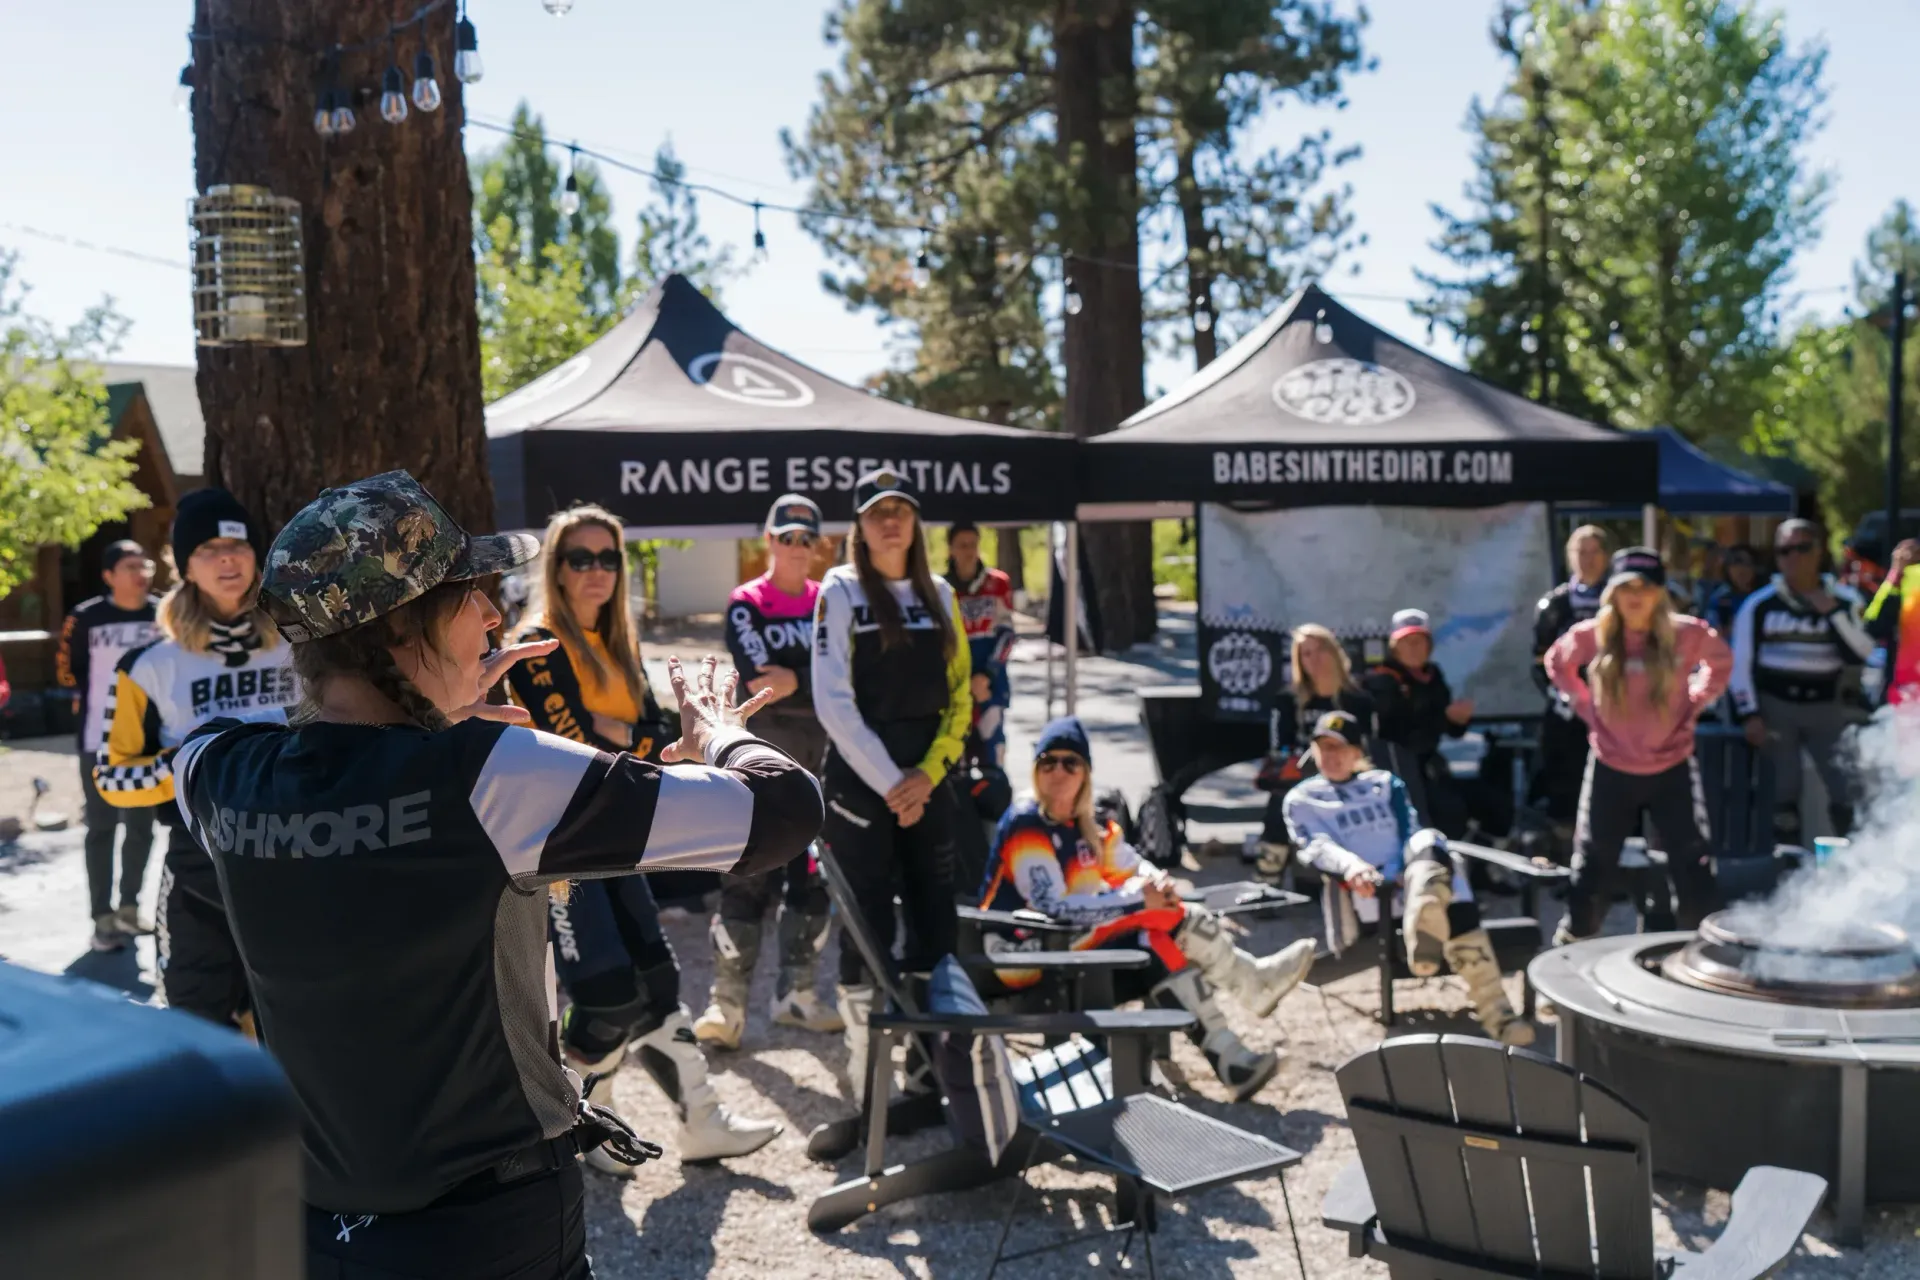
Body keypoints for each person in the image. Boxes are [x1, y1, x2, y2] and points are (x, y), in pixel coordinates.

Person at [169, 471, 821, 1278]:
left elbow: (228, 743)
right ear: (399, 626)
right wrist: (721, 733)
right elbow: (785, 811)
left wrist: (408, 706)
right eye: (467, 591)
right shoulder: (491, 773)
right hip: (492, 1226)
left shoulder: (222, 774)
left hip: (318, 1225)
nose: (492, 613)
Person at [503, 503, 780, 1168]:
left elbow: (657, 738)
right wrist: (644, 741)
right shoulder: (537, 641)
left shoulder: (619, 642)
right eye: (580, 559)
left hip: (623, 839)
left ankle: (700, 1121)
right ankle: (577, 1127)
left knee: (656, 982)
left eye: (608, 558)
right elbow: (574, 743)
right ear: (557, 569)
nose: (596, 571)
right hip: (562, 849)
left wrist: (629, 735)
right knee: (603, 1003)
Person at [979, 717, 1313, 1100]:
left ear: (1085, 771)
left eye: (1070, 762)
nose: (1058, 770)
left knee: (1160, 936)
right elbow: (1055, 908)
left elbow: (1133, 866)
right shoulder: (1027, 823)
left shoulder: (1087, 824)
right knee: (1161, 924)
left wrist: (1158, 885)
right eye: (1047, 762)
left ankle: (1232, 1057)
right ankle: (1246, 1001)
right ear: (1036, 769)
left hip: (1065, 944)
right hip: (1020, 955)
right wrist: (1142, 899)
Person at [94, 491, 296, 1028]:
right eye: (209, 548)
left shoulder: (303, 642)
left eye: (237, 544)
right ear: (184, 564)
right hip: (199, 859)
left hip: (302, 846)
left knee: (296, 1022)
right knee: (196, 1016)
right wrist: (196, 765)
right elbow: (112, 778)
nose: (228, 558)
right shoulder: (147, 664)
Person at [813, 468, 972, 1093]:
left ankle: (934, 1067)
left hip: (928, 783)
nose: (890, 521)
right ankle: (868, 1072)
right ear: (858, 524)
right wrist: (891, 783)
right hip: (862, 785)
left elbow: (961, 700)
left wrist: (926, 778)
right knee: (867, 925)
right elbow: (832, 699)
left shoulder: (941, 593)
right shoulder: (841, 589)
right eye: (877, 511)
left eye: (901, 509)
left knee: (937, 920)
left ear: (915, 521)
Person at [1283, 711, 1533, 1046]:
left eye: (1339, 748)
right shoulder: (1302, 799)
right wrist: (1353, 867)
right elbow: (1315, 845)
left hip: (1412, 876)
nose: (1330, 756)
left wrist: (1405, 871)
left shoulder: (1384, 784)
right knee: (1446, 882)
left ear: (1358, 752)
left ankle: (1424, 916)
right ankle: (1497, 1013)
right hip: (1371, 893)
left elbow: (1410, 829)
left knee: (1433, 842)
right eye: (1322, 747)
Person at [695, 494, 842, 1049]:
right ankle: (726, 1007)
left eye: (807, 538)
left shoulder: (829, 599)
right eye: (786, 536)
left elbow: (835, 672)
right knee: (746, 875)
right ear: (769, 540)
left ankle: (798, 995)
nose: (797, 547)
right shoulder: (746, 601)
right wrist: (807, 678)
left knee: (812, 878)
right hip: (760, 762)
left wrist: (797, 679)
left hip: (822, 757)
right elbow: (763, 680)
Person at [1546, 548, 1732, 941]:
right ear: (1611, 593)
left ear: (1659, 593)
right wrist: (1583, 703)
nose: (1635, 595)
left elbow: (1722, 662)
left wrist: (1696, 702)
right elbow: (1557, 662)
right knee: (1592, 869)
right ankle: (1570, 949)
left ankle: (1702, 952)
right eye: (1625, 586)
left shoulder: (1687, 632)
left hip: (1672, 767)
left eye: (1645, 587)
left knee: (1693, 866)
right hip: (1611, 766)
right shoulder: (1593, 633)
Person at [1728, 519, 1874, 842]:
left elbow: (1863, 652)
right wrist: (1749, 713)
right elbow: (1739, 665)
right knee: (1784, 789)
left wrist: (1832, 613)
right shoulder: (1759, 605)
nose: (1794, 557)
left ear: (1819, 551)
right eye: (1784, 551)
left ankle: (1851, 862)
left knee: (1845, 786)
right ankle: (1789, 872)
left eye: (1802, 548)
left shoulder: (1847, 600)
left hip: (1828, 706)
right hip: (1777, 706)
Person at [56, 539, 161, 951]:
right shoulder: (86, 618)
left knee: (142, 828)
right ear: (109, 576)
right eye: (131, 565)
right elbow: (68, 673)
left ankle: (130, 908)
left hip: (150, 742)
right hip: (98, 740)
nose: (142, 572)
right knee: (101, 828)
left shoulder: (164, 615)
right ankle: (102, 918)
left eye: (146, 563)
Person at [1254, 624, 1377, 877]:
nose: (1315, 660)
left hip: (1350, 775)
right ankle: (1267, 879)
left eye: (1320, 650)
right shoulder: (1288, 700)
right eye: (1306, 654)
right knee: (1281, 802)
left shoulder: (1359, 700)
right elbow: (1279, 748)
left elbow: (1369, 749)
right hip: (1304, 776)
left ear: (1335, 653)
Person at [1363, 608, 1493, 840]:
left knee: (1463, 809)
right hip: (1395, 767)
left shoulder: (1434, 676)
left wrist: (1458, 720)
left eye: (1419, 641)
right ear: (1394, 646)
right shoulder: (1382, 680)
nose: (1414, 648)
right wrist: (1444, 719)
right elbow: (1397, 729)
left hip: (1428, 762)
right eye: (1407, 641)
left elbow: (1450, 730)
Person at [1529, 526, 1610, 836]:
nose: (1587, 560)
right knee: (1562, 770)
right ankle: (1562, 837)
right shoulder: (1554, 605)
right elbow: (1539, 661)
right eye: (1581, 552)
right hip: (1567, 707)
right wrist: (1565, 694)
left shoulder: (1618, 602)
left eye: (1594, 552)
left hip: (1612, 706)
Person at [945, 519, 1016, 771]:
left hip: (990, 685)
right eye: (961, 545)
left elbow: (1007, 635)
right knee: (954, 759)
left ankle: (996, 805)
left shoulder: (998, 584)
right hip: (954, 688)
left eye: (973, 544)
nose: (968, 551)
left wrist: (987, 675)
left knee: (992, 754)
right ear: (950, 549)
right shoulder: (940, 588)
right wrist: (962, 683)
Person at [1866, 538, 1920, 707]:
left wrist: (1896, 572)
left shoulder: (1905, 575)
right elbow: (1874, 624)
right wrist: (1896, 574)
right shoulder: (1903, 577)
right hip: (1902, 681)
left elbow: (1872, 625)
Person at [1701, 544, 1761, 634]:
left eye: (1747, 563)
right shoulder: (1720, 600)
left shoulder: (1763, 599)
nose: (1741, 569)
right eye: (1735, 563)